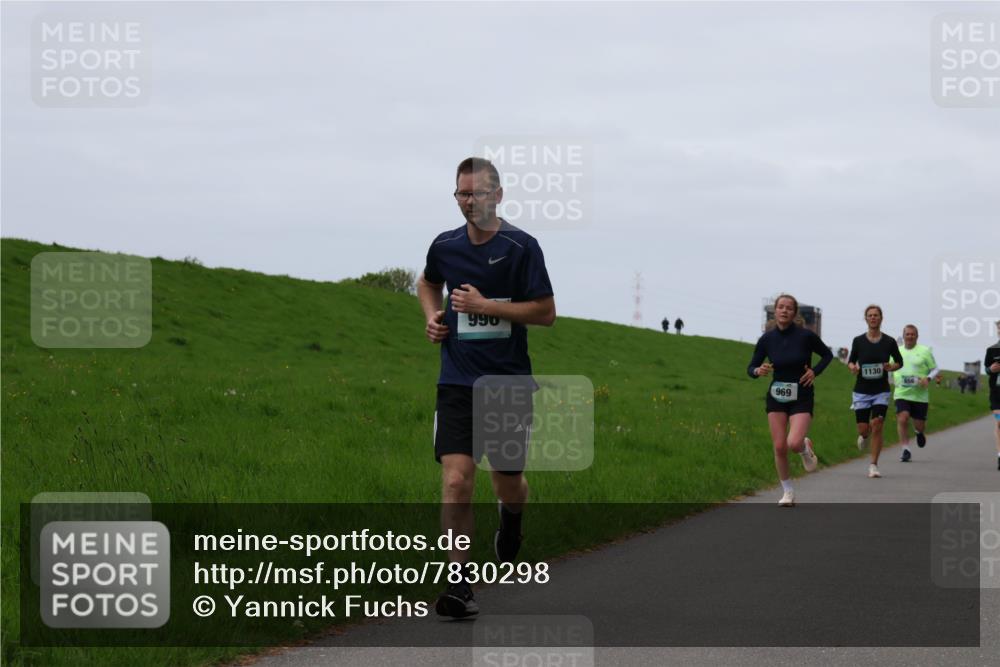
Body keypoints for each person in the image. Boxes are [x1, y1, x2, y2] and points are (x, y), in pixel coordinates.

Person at [418, 157, 556, 618]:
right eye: (461, 193)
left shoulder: (521, 247)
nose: (468, 201)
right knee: (456, 481)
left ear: (498, 195)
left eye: (476, 193)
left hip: (507, 384)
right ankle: (459, 584)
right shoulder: (445, 245)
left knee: (507, 482)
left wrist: (484, 306)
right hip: (456, 380)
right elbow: (427, 283)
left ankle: (511, 518)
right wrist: (432, 318)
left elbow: (545, 312)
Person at [747, 294, 833, 506]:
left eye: (788, 308)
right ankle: (788, 492)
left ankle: (803, 446)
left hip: (802, 394)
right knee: (779, 447)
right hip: (777, 395)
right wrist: (759, 370)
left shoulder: (805, 336)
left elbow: (827, 355)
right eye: (780, 307)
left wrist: (814, 372)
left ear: (794, 314)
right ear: (775, 311)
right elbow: (751, 368)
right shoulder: (767, 339)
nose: (784, 311)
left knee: (792, 442)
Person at [848, 305, 904, 478]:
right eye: (870, 315)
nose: (873, 318)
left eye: (876, 315)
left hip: (881, 390)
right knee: (864, 428)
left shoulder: (889, 341)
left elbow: (899, 362)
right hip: (862, 390)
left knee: (878, 425)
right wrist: (853, 367)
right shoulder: (858, 341)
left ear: (881, 318)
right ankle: (864, 436)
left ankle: (873, 465)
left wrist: (891, 366)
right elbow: (851, 361)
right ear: (866, 319)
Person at [893, 324, 938, 462]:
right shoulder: (896, 351)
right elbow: (889, 366)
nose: (910, 336)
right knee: (903, 418)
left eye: (913, 334)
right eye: (907, 334)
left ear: (917, 336)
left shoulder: (925, 351)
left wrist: (928, 378)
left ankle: (919, 432)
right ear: (903, 336)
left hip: (920, 395)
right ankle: (905, 449)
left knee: (919, 424)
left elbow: (935, 369)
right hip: (902, 393)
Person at [986, 320, 1000, 471]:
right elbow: (986, 369)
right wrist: (991, 369)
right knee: (999, 423)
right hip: (997, 393)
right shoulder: (991, 350)